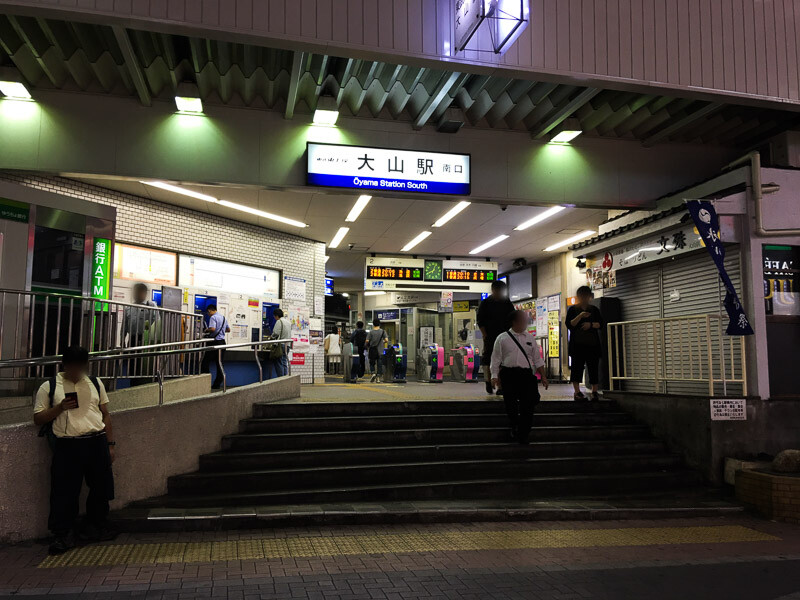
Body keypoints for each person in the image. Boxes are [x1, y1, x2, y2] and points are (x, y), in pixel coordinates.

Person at [33, 346, 116, 555]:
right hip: (68, 444)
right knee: (64, 491)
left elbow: (105, 414)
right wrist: (59, 407)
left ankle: (95, 525)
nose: (77, 371)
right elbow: (38, 418)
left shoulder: (95, 383)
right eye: (73, 367)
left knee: (101, 487)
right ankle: (62, 533)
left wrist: (110, 444)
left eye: (81, 366)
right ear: (65, 365)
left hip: (96, 440)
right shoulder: (50, 386)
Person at [490, 310, 548, 444]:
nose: (525, 323)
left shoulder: (530, 338)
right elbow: (496, 359)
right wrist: (494, 376)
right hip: (508, 375)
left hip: (526, 375)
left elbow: (537, 359)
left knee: (528, 405)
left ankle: (523, 433)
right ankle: (515, 426)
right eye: (523, 320)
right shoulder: (502, 338)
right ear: (514, 322)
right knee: (510, 404)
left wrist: (543, 377)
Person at [565, 286, 604, 401]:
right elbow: (570, 324)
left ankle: (594, 391)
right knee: (576, 368)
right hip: (577, 345)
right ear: (579, 297)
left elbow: (601, 324)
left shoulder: (594, 310)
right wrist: (581, 315)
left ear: (589, 297)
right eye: (582, 296)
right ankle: (577, 392)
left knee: (593, 368)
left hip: (592, 344)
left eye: (586, 296)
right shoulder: (572, 310)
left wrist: (590, 325)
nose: (584, 298)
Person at [477, 280, 515, 395]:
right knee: (489, 360)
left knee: (503, 361)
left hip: (504, 336)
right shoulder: (485, 303)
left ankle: (500, 386)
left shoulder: (506, 302)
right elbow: (480, 321)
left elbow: (512, 318)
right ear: (493, 290)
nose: (499, 293)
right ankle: (489, 381)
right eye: (498, 291)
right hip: (490, 336)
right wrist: (485, 335)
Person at [121, 283, 158, 386]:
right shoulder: (129, 307)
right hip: (132, 339)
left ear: (144, 293)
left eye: (139, 291)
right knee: (132, 364)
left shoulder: (151, 305)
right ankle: (134, 385)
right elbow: (124, 326)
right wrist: (122, 341)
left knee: (145, 365)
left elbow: (157, 322)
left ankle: (145, 385)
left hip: (146, 339)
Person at [201, 304, 230, 389]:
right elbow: (228, 329)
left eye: (208, 313)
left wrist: (206, 329)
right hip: (222, 343)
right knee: (220, 364)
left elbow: (212, 329)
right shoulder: (223, 318)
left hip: (214, 343)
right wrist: (221, 331)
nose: (208, 314)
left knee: (205, 362)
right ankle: (217, 384)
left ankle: (205, 381)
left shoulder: (213, 317)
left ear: (210, 310)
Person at [269, 308, 292, 378]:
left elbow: (276, 333)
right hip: (287, 345)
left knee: (279, 363)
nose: (274, 318)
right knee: (284, 362)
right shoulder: (288, 322)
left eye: (274, 316)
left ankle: (281, 379)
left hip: (280, 345)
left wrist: (271, 336)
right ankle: (285, 378)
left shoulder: (279, 321)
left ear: (276, 316)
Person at [365, 317, 388, 383]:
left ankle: (373, 373)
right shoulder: (383, 331)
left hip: (372, 350)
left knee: (372, 363)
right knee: (379, 364)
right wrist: (382, 342)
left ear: (373, 324)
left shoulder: (371, 332)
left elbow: (367, 341)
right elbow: (386, 340)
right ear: (379, 324)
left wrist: (370, 343)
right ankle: (378, 378)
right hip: (380, 350)